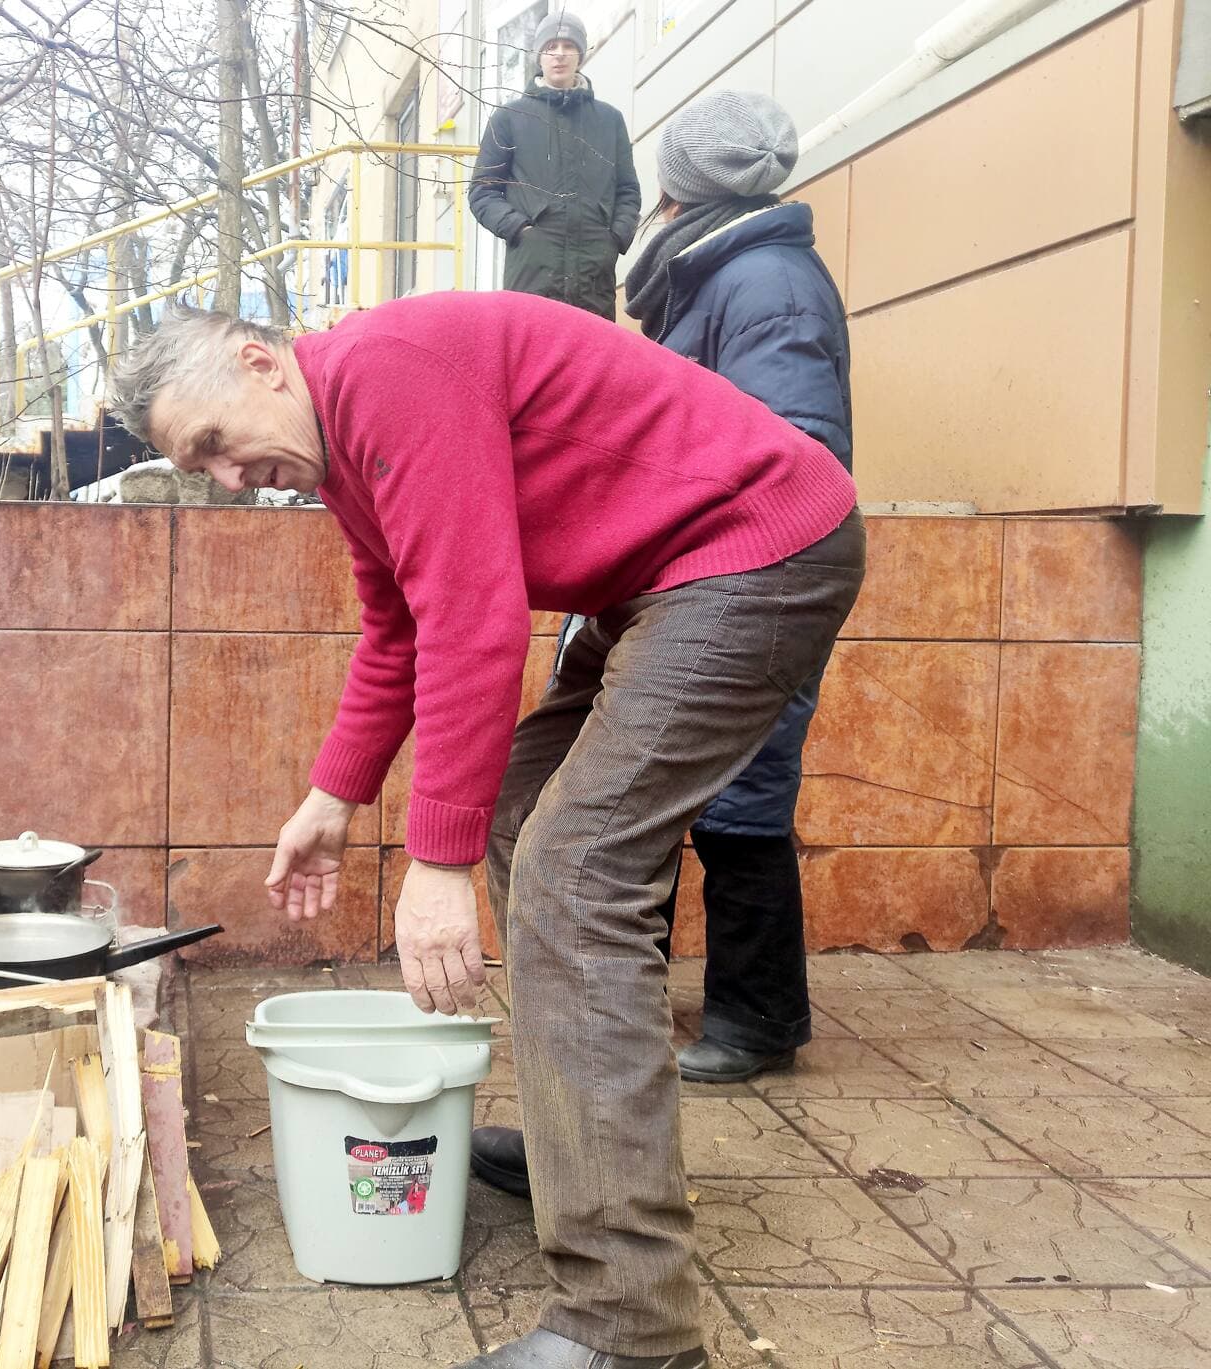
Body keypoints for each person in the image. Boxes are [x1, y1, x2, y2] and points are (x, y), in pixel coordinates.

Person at [108, 291, 862, 1369]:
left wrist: (437, 863)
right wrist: (331, 799)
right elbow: (399, 630)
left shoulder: (386, 372)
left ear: (260, 362)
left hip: (751, 552)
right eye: (204, 468)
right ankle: (582, 1155)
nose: (230, 478)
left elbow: (474, 617)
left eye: (217, 443)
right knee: (524, 810)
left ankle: (628, 1326)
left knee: (573, 872)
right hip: (669, 576)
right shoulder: (343, 448)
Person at [469, 90, 852, 1207]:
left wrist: (677, 527)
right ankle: (594, 1113)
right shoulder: (705, 270)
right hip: (679, 577)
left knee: (737, 809)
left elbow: (795, 441)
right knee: (626, 830)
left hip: (738, 573)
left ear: (683, 184)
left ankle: (754, 1018)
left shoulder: (764, 280)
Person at [468, 12, 639, 318]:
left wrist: (614, 238)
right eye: (551, 46)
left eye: (568, 46)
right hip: (532, 274)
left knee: (591, 349)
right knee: (532, 345)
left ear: (580, 55)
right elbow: (483, 191)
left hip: (594, 277)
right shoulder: (510, 118)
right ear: (539, 55)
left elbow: (628, 190)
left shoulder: (609, 120)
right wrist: (519, 229)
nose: (559, 54)